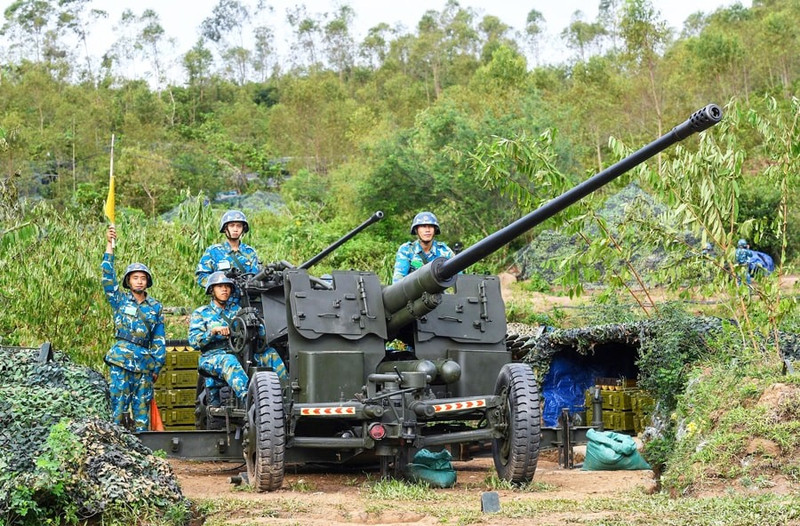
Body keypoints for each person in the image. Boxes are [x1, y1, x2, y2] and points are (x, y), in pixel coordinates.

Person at [188, 271, 287, 407]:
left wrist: (258, 325)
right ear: (212, 290)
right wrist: (213, 332)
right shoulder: (201, 313)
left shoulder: (239, 310)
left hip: (240, 352)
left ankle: (287, 397)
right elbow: (194, 342)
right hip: (213, 356)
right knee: (229, 361)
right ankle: (252, 403)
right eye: (220, 286)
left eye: (227, 287)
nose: (224, 290)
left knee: (269, 354)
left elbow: (257, 336)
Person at [102, 226, 166, 432]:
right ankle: (114, 452)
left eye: (143, 278)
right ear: (128, 281)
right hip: (121, 360)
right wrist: (109, 246)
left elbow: (159, 338)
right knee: (117, 410)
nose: (139, 281)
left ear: (147, 282)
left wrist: (156, 366)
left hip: (144, 364)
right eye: (135, 277)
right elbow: (107, 278)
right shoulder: (120, 300)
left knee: (142, 413)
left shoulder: (155, 307)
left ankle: (143, 454)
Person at [196, 209, 260, 302]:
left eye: (239, 226)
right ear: (225, 228)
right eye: (232, 225)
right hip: (223, 305)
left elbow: (256, 277)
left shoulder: (250, 252)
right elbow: (201, 278)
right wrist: (221, 282)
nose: (235, 229)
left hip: (246, 304)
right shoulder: (214, 251)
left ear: (243, 229)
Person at [392, 211, 456, 283]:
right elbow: (398, 279)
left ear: (435, 230)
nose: (427, 230)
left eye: (430, 226)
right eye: (423, 226)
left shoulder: (444, 251)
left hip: (438, 292)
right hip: (413, 292)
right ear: (416, 230)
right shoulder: (407, 250)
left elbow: (459, 277)